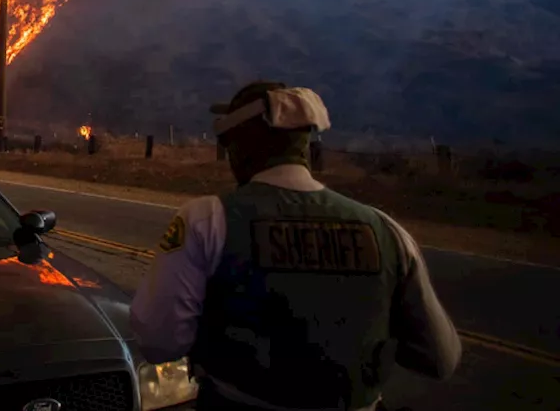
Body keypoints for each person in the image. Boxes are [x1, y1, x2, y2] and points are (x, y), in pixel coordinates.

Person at [129, 81, 461, 411]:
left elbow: (159, 342)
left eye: (229, 141)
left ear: (244, 144)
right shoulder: (387, 231)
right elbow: (439, 359)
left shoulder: (207, 219)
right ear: (302, 145)